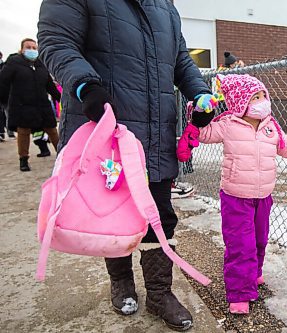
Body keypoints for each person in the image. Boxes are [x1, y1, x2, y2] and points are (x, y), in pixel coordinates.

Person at [37, 1, 217, 330]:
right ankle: (121, 282)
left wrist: (200, 93)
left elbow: (179, 60)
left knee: (160, 217)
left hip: (156, 132)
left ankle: (160, 293)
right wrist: (85, 85)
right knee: (114, 213)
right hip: (107, 129)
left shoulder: (164, 5)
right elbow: (56, 41)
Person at [187, 74, 287, 314]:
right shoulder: (228, 124)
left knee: (259, 240)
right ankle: (239, 294)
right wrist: (198, 112)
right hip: (236, 197)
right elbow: (202, 133)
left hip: (263, 197)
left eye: (263, 96)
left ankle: (253, 274)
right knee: (240, 245)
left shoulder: (271, 126)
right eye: (255, 97)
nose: (262, 101)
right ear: (240, 101)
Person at [0, 38, 60, 171]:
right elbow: (3, 82)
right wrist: (2, 100)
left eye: (34, 48)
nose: (32, 50)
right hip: (22, 104)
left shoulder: (41, 65)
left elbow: (50, 85)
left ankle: (62, 155)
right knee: (23, 131)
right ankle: (23, 159)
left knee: (52, 130)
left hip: (42, 104)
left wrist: (60, 98)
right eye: (28, 47)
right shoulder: (13, 63)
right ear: (22, 49)